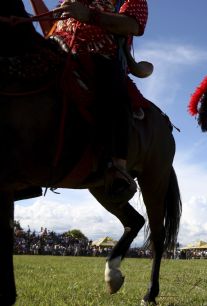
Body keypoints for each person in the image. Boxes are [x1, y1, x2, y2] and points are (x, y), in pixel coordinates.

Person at [50, 0, 148, 201]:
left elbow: (133, 25)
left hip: (99, 52)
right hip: (56, 47)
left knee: (111, 81)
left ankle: (118, 166)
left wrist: (89, 15)